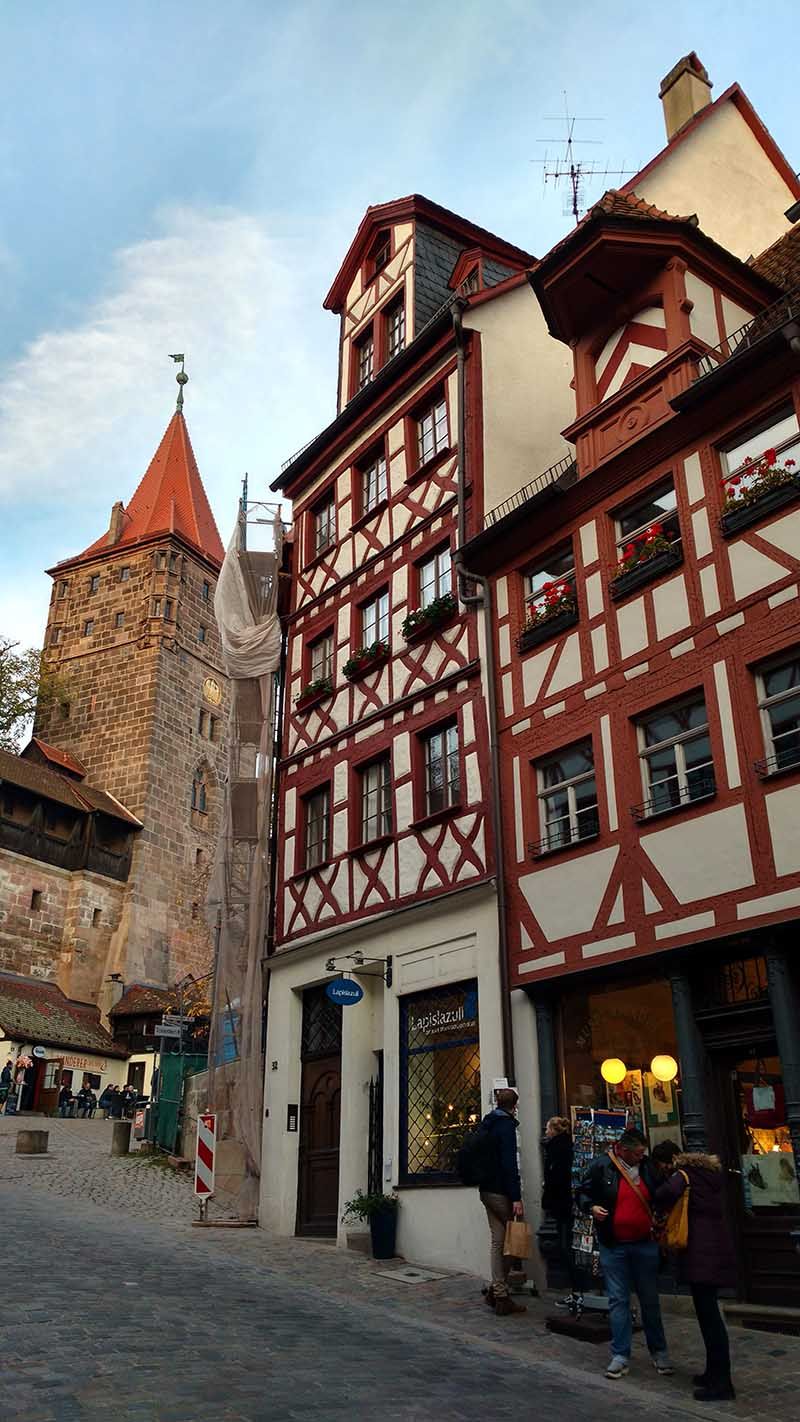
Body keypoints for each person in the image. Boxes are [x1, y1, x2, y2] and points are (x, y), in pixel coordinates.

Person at [576, 1126, 673, 1380]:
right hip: (614, 1244)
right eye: (637, 1153)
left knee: (649, 1298)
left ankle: (659, 1351)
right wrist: (591, 1207)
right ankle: (620, 1355)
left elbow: (663, 1193)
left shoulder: (648, 1167)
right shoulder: (602, 1166)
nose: (641, 1157)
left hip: (645, 1243)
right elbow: (582, 1192)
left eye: (643, 1153)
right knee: (618, 1300)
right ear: (622, 1150)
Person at [652, 1141, 736, 1403]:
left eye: (662, 1165)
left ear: (670, 1161)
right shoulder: (706, 1174)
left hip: (700, 1254)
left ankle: (722, 1384)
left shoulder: (682, 1175)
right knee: (708, 1316)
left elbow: (662, 1195)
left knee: (710, 1320)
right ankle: (714, 1373)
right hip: (714, 1250)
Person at [478, 1087, 527, 1317]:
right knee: (514, 1240)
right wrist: (516, 1196)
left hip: (486, 1190)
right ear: (514, 1106)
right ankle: (500, 1293)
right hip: (501, 1192)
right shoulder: (505, 1126)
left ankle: (496, 1292)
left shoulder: (487, 1123)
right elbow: (509, 1164)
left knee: (499, 1240)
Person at [542, 1116, 581, 1309]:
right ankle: (577, 1290)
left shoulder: (557, 1150)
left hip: (563, 1204)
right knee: (567, 1246)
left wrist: (548, 1190)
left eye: (547, 1129)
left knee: (567, 1246)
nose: (545, 1132)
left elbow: (556, 1179)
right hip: (564, 1203)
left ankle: (578, 1291)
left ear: (554, 1130)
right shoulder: (564, 1147)